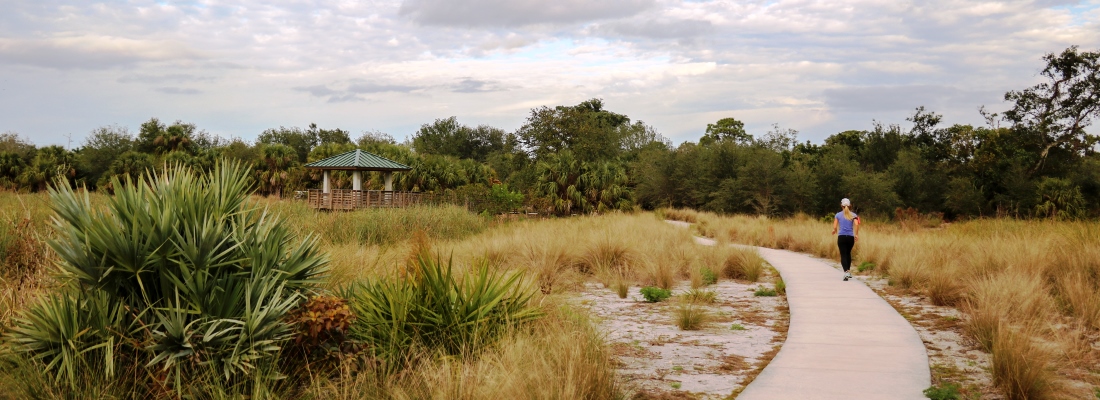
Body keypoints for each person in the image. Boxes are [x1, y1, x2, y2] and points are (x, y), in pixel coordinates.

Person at [831, 198, 860, 281]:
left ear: (841, 205)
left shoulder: (838, 215)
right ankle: (848, 271)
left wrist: (834, 230)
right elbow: (857, 224)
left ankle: (846, 272)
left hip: (841, 237)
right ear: (850, 205)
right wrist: (856, 234)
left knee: (843, 254)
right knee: (848, 253)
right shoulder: (854, 215)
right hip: (850, 237)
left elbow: (835, 226)